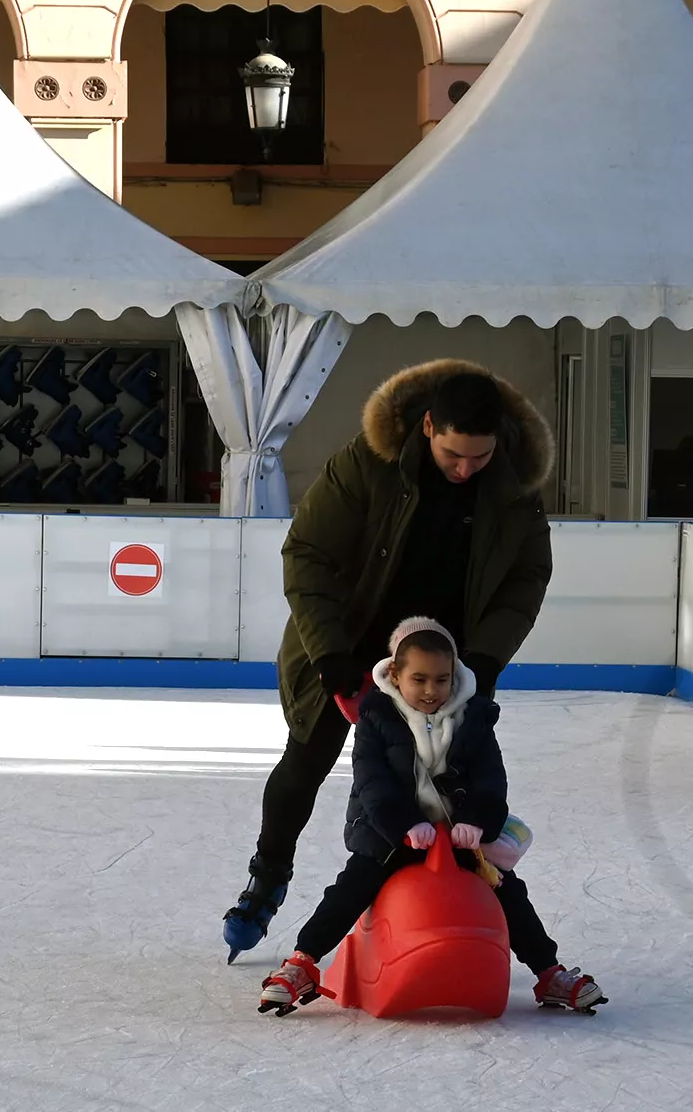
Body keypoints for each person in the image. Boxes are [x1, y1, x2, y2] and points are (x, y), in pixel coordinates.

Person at [224, 361, 555, 961]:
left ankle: (447, 904)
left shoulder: (513, 486)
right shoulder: (366, 463)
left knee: (448, 786)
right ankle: (267, 879)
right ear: (428, 426)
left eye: (479, 458)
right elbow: (307, 554)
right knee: (305, 764)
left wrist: (483, 660)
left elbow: (528, 577)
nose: (465, 470)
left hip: (443, 662)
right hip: (349, 647)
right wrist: (330, 659)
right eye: (454, 454)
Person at [256, 618, 605, 1016]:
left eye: (441, 680)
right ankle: (303, 962)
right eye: (418, 679)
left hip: (459, 838)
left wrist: (476, 821)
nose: (430, 691)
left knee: (507, 890)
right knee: (353, 886)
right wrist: (404, 824)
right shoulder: (377, 718)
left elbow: (490, 777)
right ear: (394, 674)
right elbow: (373, 783)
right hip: (388, 835)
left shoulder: (473, 718)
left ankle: (549, 973)